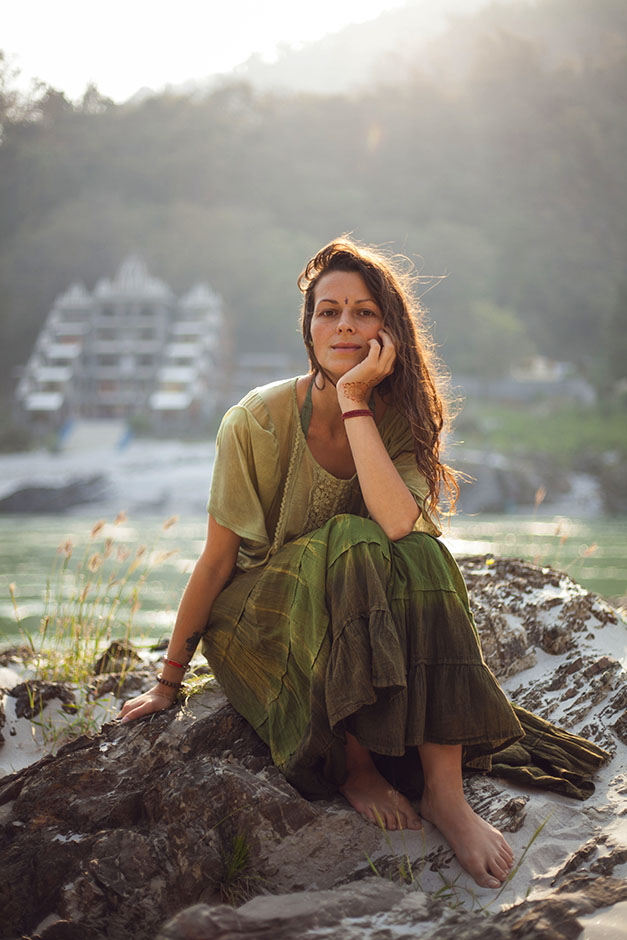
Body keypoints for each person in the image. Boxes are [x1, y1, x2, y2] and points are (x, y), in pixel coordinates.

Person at [118, 238, 598, 889]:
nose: (343, 324)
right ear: (307, 327)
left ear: (387, 329)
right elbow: (215, 561)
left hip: (353, 593)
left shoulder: (395, 418)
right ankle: (356, 767)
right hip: (261, 619)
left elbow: (400, 524)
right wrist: (167, 683)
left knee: (417, 548)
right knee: (350, 538)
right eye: (327, 311)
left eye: (363, 311)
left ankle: (444, 793)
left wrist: (354, 402)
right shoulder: (252, 422)